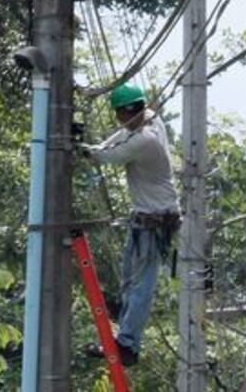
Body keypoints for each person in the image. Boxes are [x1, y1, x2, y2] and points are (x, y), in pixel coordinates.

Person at [79, 83, 180, 367]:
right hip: (146, 218)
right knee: (129, 280)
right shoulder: (148, 119)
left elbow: (110, 155)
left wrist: (84, 150)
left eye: (118, 114)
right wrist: (93, 146)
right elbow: (120, 137)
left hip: (155, 220)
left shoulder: (146, 139)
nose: (118, 120)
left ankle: (127, 344)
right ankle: (124, 334)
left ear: (125, 111)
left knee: (140, 285)